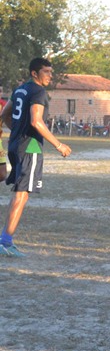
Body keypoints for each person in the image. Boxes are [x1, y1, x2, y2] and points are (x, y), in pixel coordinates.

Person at [0, 58, 72, 257]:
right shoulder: (38, 91)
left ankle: (4, 240)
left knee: (19, 193)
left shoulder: (20, 90)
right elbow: (36, 121)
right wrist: (59, 145)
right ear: (34, 73)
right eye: (46, 71)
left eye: (51, 71)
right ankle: (5, 242)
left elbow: (4, 115)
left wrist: (17, 131)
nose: (50, 75)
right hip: (30, 147)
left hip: (15, 145)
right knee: (21, 194)